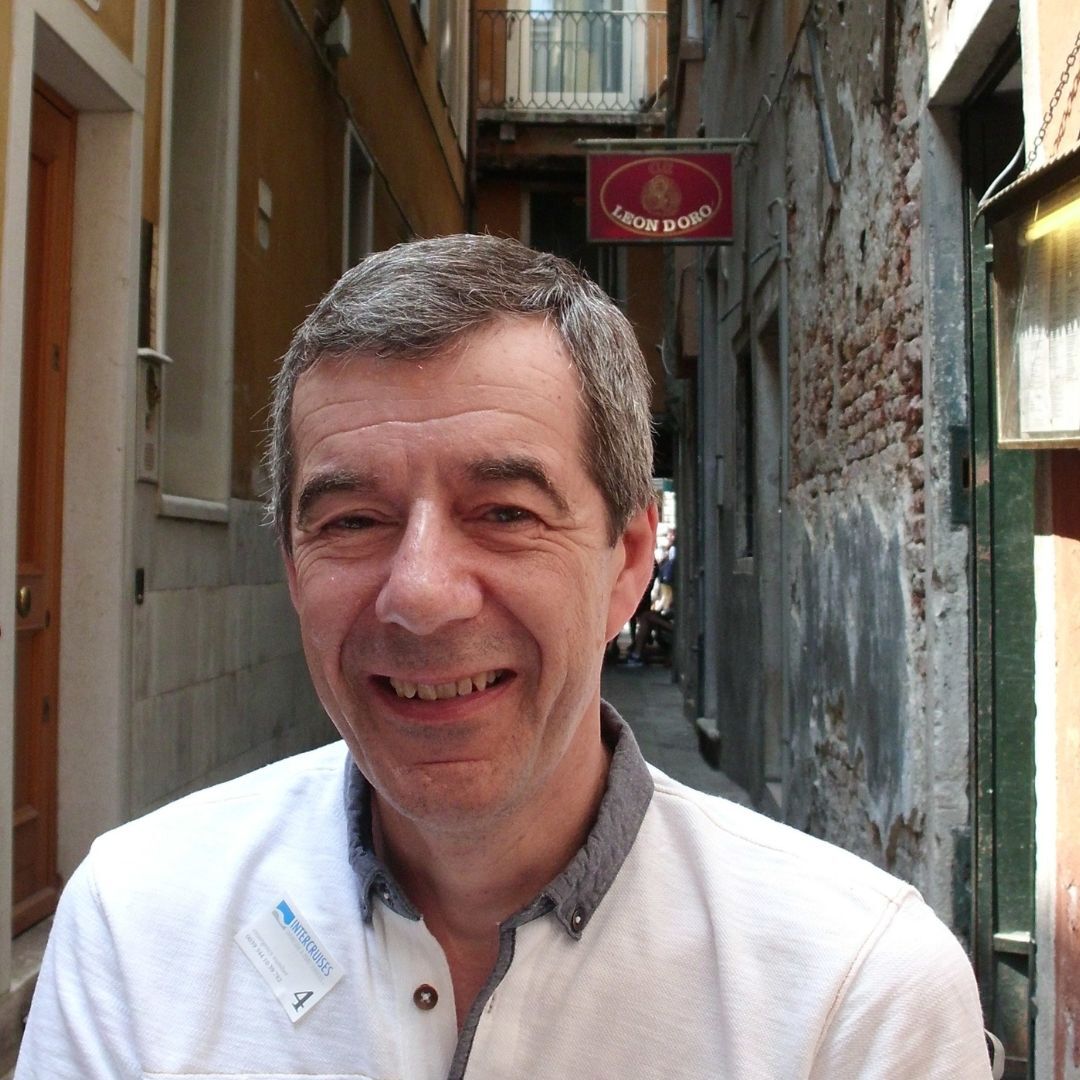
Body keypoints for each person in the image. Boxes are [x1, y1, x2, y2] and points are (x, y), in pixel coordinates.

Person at [16, 234, 995, 1079]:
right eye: (352, 520)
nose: (420, 594)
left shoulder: (851, 997)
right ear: (291, 566)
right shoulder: (138, 928)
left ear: (627, 561)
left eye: (505, 513)